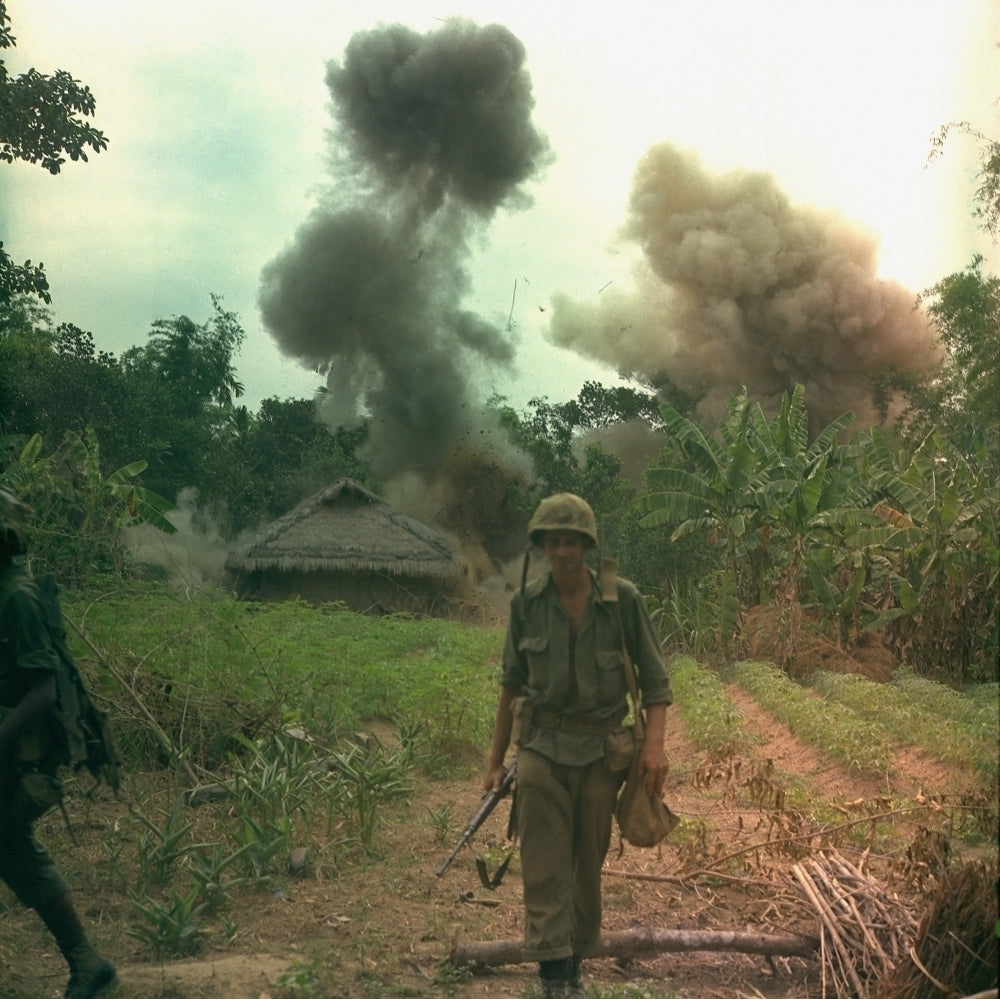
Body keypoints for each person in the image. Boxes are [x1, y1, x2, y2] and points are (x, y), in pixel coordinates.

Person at [484, 493, 672, 999]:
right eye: (552, 542)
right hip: (542, 750)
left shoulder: (622, 600)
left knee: (587, 860)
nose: (562, 551)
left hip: (599, 755)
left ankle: (577, 952)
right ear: (541, 545)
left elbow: (656, 684)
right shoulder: (527, 604)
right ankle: (554, 973)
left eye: (571, 542)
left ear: (586, 546)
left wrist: (653, 746)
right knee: (543, 862)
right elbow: (511, 684)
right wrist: (496, 761)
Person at [0, 489, 116, 999]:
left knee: (13, 847)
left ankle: (89, 962)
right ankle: (89, 962)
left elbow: (43, 691)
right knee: (12, 848)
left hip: (9, 750)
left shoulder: (17, 598)